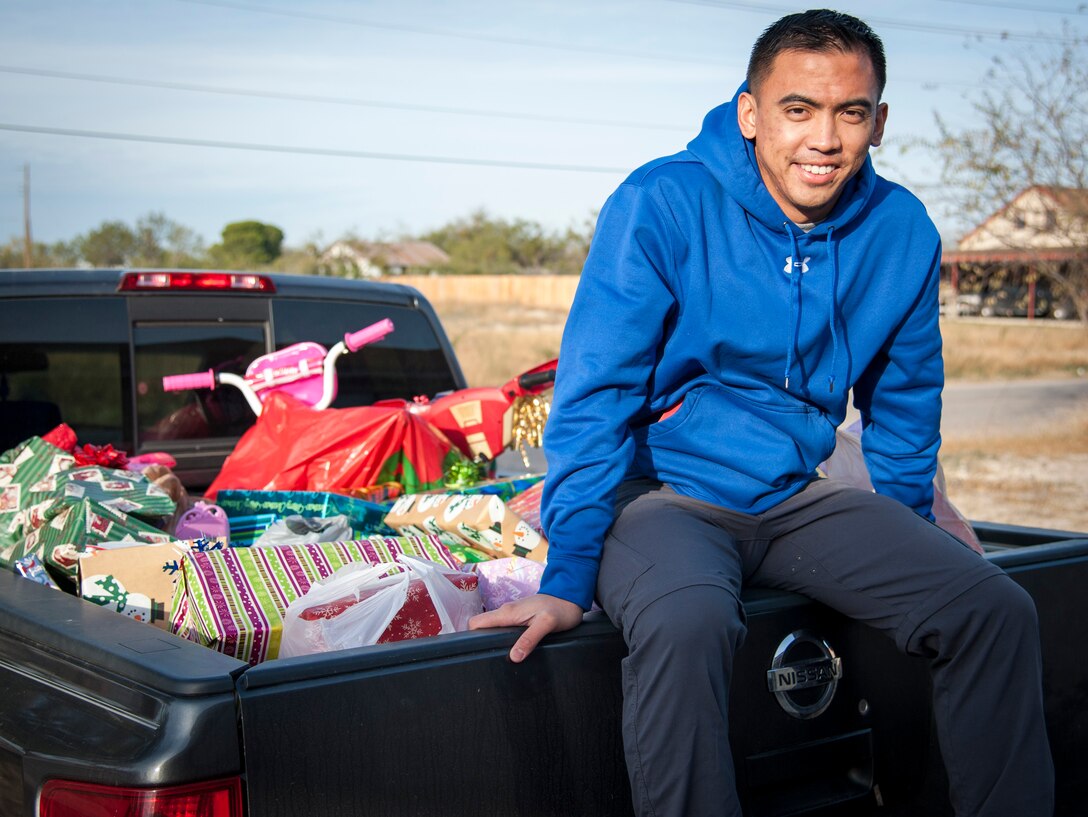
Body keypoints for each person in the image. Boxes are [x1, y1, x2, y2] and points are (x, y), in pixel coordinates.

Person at [469, 8, 1054, 816]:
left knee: (993, 606)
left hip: (791, 495)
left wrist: (913, 536)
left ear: (878, 122)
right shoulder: (663, 200)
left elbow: (906, 400)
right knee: (688, 620)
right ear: (751, 111)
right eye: (798, 109)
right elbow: (593, 395)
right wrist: (569, 574)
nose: (823, 138)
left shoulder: (902, 231)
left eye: (850, 113)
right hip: (660, 496)